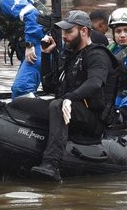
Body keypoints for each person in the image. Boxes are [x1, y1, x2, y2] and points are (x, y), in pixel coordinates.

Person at [28, 10, 115, 182]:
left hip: (93, 119)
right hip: (70, 109)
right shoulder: (70, 55)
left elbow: (95, 82)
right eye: (63, 32)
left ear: (84, 31)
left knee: (57, 105)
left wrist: (69, 98)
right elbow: (48, 86)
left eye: (69, 32)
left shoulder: (97, 54)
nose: (64, 36)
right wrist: (46, 55)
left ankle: (51, 164)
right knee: (22, 103)